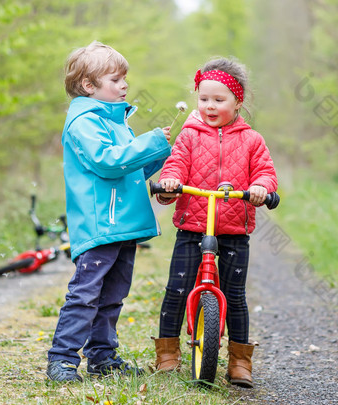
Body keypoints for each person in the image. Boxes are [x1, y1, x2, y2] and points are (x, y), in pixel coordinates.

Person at [46, 41, 172, 382]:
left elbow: (128, 172)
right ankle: (62, 359)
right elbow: (108, 162)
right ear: (89, 86)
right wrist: (151, 142)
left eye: (124, 79)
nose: (124, 85)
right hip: (101, 223)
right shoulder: (85, 122)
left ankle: (102, 356)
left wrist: (159, 154)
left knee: (112, 295)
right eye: (116, 79)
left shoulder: (114, 121)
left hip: (122, 223)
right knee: (86, 294)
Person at [152, 57, 278, 388]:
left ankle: (239, 361)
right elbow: (176, 165)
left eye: (219, 100)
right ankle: (167, 352)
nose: (209, 106)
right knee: (177, 288)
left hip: (235, 228)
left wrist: (261, 188)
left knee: (235, 295)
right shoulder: (189, 135)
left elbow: (264, 171)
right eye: (204, 98)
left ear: (238, 102)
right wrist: (169, 184)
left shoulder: (252, 140)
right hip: (193, 225)